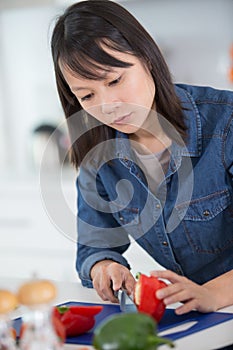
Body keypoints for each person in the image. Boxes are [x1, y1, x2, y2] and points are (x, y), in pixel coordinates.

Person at [51, 0, 233, 316]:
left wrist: (212, 295)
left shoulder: (226, 123)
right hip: (199, 318)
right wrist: (104, 267)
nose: (108, 106)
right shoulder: (99, 153)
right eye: (87, 96)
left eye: (114, 80)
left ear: (148, 58)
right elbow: (96, 247)